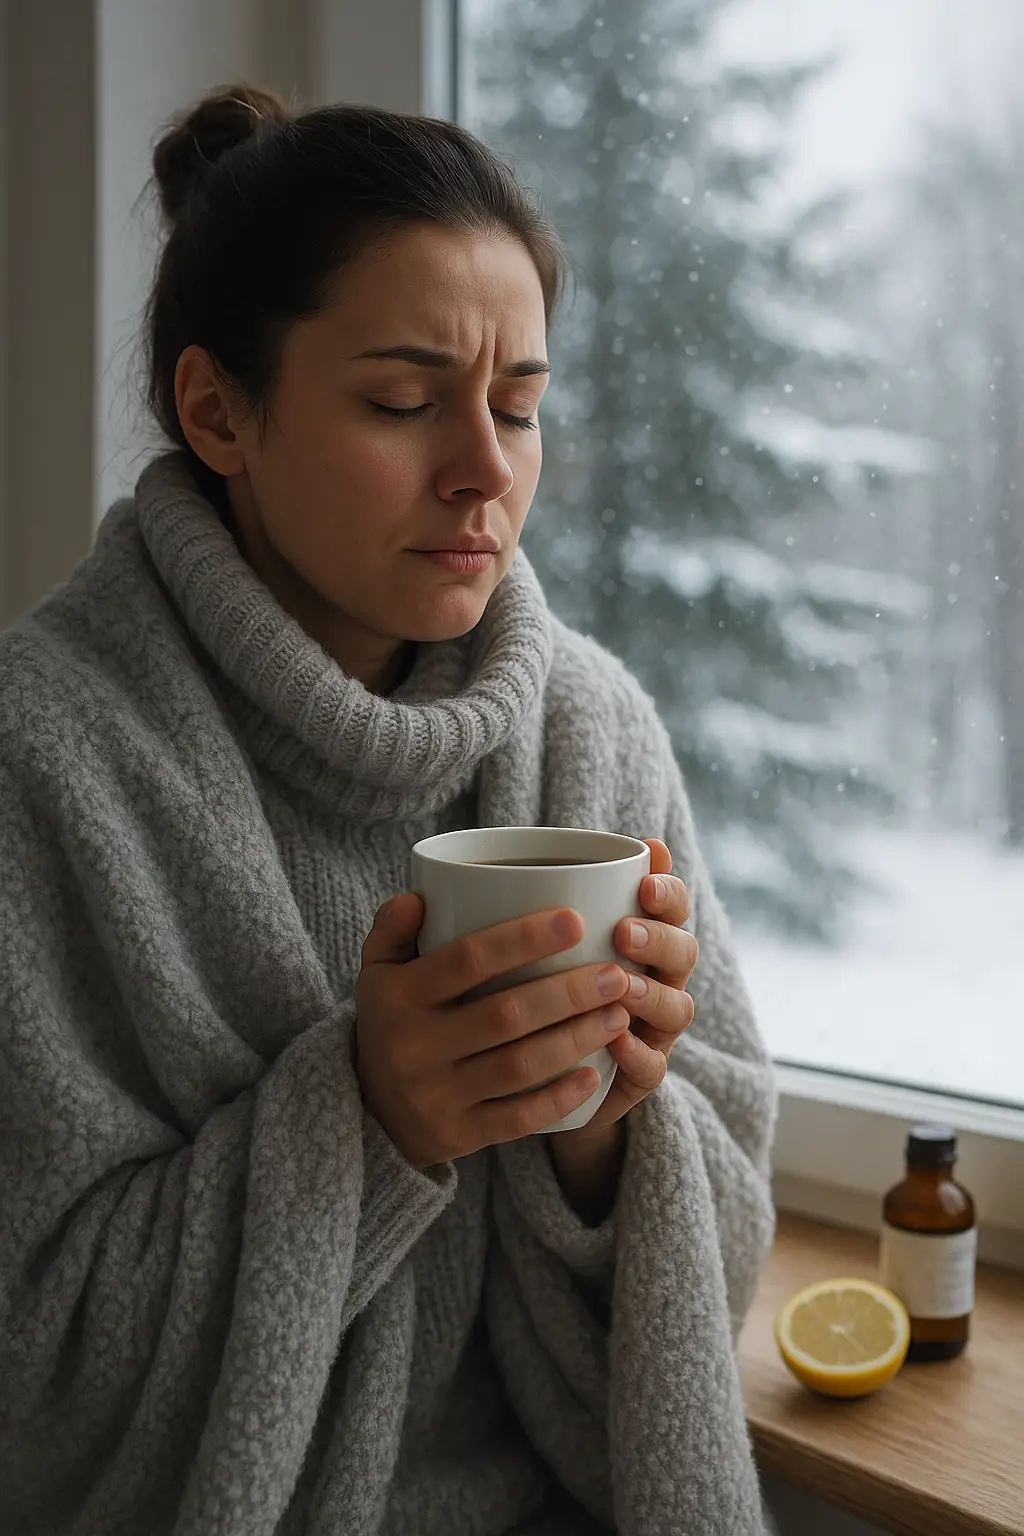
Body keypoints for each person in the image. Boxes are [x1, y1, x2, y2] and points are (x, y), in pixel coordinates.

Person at [0, 85, 776, 1536]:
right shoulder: (43, 755)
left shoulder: (590, 733)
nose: (488, 467)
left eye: (523, 406)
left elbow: (720, 1255)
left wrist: (609, 1126)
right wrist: (372, 1116)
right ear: (217, 410)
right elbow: (31, 1382)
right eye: (406, 403)